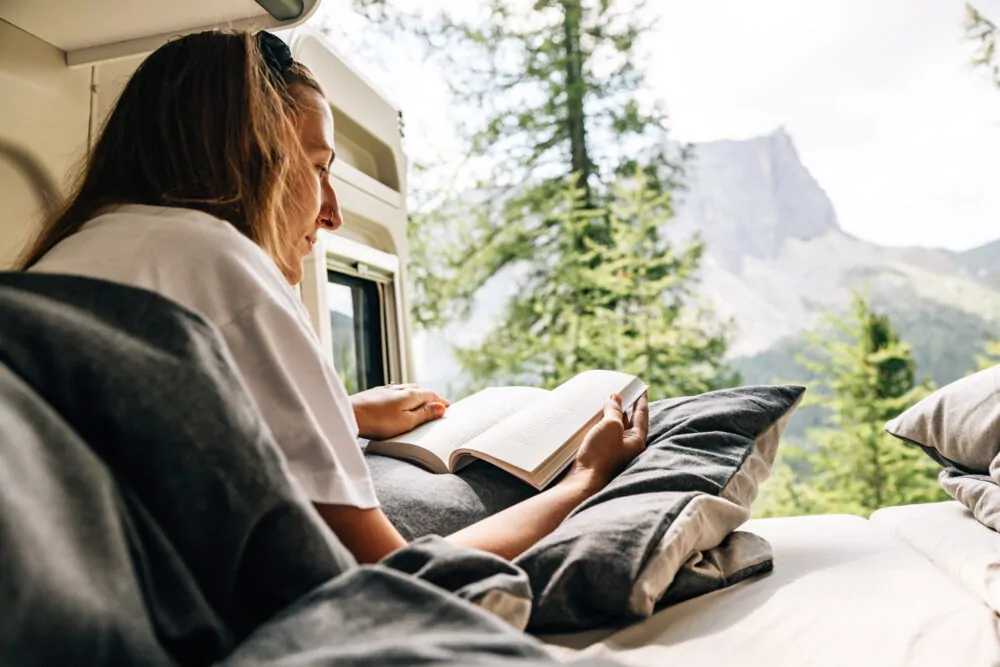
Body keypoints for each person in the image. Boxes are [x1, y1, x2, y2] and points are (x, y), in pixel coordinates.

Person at [19, 30, 649, 564]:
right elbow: (390, 576)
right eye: (318, 169)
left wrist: (342, 413)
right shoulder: (218, 260)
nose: (334, 215)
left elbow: (159, 439)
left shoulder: (69, 256)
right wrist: (586, 480)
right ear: (249, 158)